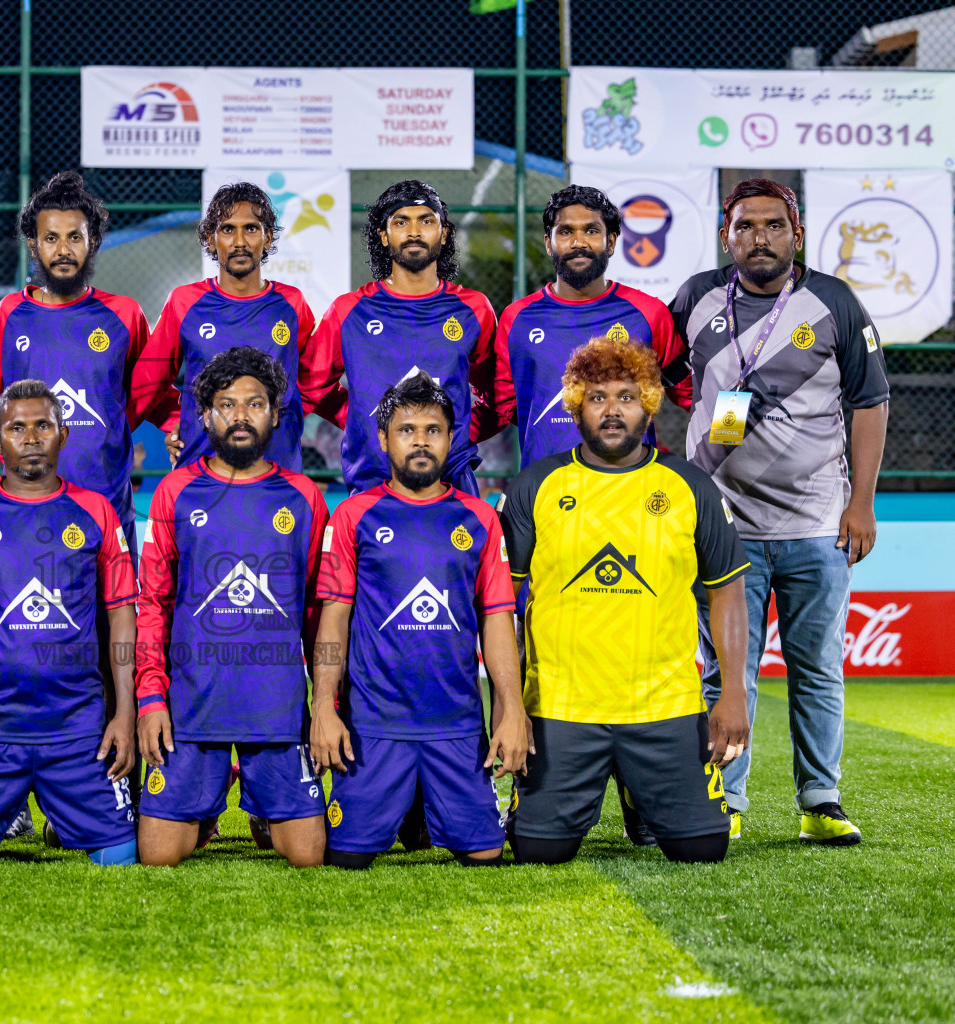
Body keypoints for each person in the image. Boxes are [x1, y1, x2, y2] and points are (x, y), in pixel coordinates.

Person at [671, 178, 889, 845]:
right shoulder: (694, 299)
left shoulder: (834, 303)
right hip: (724, 525)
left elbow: (871, 402)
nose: (758, 238)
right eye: (745, 226)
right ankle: (724, 801)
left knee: (817, 666)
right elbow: (662, 387)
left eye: (772, 225)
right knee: (723, 672)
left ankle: (820, 801)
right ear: (725, 234)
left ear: (796, 231)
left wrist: (861, 504)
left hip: (819, 522)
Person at [499, 336, 751, 864]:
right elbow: (501, 605)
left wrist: (731, 695)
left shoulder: (690, 486)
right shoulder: (535, 486)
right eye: (597, 398)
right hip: (562, 709)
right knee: (537, 850)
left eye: (627, 397)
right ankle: (600, 786)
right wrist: (509, 706)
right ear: (575, 405)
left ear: (650, 405)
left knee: (702, 848)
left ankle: (642, 785)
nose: (612, 410)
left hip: (664, 705)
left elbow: (727, 590)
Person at [311, 372, 528, 868]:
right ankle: (408, 810)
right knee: (346, 858)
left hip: (453, 724)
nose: (420, 442)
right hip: (374, 727)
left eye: (433, 430)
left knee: (485, 855)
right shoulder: (351, 516)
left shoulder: (479, 518)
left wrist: (510, 710)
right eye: (407, 430)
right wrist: (324, 705)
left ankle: (424, 810)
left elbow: (497, 622)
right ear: (384, 439)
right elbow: (334, 621)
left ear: (451, 439)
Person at [0, 379, 140, 868]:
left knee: (121, 857)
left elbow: (122, 616)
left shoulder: (97, 511)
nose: (31, 437)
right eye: (16, 428)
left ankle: (66, 815)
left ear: (63, 434)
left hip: (77, 726)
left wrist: (124, 713)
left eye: (43, 425)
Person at [135, 347, 328, 868]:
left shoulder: (303, 495)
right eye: (226, 404)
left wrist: (326, 705)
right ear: (204, 416)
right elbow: (152, 603)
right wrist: (152, 698)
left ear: (275, 413)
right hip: (195, 708)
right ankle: (205, 804)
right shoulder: (174, 492)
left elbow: (315, 610)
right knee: (158, 856)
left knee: (307, 857)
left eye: (255, 404)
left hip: (277, 710)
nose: (240, 416)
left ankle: (265, 805)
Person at [0, 170, 151, 549]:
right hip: (27, 506)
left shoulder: (124, 315)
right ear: (34, 245)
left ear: (93, 242)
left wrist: (107, 438)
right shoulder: (9, 314)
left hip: (108, 507)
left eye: (75, 237)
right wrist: (15, 457)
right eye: (51, 238)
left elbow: (144, 397)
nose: (64, 250)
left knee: (114, 609)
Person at [310, 180, 504, 498]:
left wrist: (460, 429)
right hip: (374, 484)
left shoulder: (474, 308)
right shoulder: (349, 310)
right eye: (401, 221)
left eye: (426, 220)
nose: (414, 231)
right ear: (383, 236)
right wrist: (360, 420)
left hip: (451, 483)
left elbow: (499, 394)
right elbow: (311, 387)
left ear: (443, 233)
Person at [132, 180, 343, 471]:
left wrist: (286, 418)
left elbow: (313, 383)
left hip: (278, 467)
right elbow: (146, 385)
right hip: (201, 467)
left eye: (251, 229)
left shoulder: (291, 304)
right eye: (228, 229)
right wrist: (180, 421)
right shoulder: (184, 302)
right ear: (210, 238)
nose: (240, 241)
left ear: (267, 238)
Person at [494, 184, 689, 467]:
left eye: (591, 231)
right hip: (545, 486)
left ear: (610, 242)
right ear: (549, 243)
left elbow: (690, 394)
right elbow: (508, 406)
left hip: (628, 488)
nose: (578, 242)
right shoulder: (517, 318)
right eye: (566, 231)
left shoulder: (649, 313)